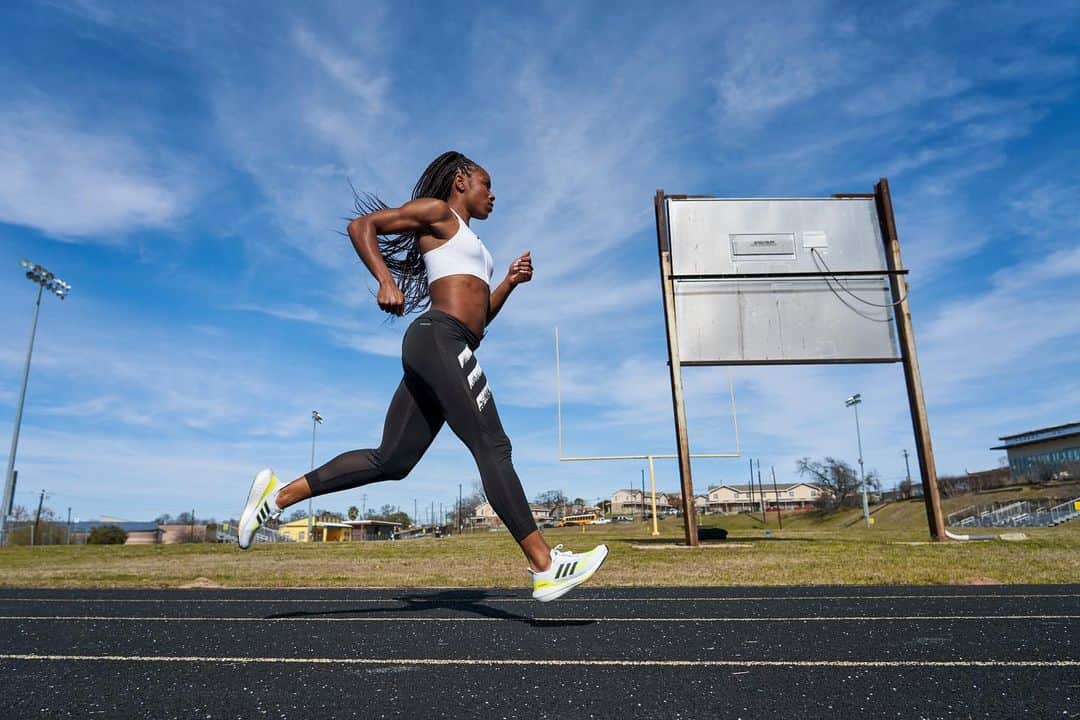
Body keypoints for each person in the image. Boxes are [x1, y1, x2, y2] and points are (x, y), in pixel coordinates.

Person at [237, 151, 607, 601]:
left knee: (391, 461)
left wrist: (508, 282)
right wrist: (385, 279)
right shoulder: (439, 213)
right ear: (460, 180)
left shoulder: (474, 246)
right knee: (492, 445)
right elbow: (363, 227)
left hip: (448, 344)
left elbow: (480, 318)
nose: (493, 195)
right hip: (438, 338)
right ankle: (544, 564)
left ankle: (276, 499)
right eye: (486, 184)